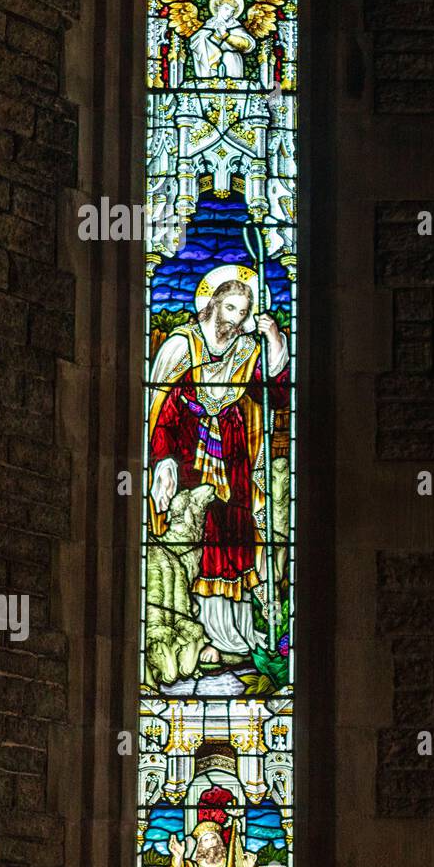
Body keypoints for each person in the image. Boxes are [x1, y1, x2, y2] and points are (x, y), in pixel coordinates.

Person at [148, 272, 288, 667]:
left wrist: (274, 338)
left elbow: (276, 392)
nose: (235, 319)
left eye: (243, 313)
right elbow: (163, 411)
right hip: (191, 462)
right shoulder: (182, 347)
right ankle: (205, 629)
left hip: (236, 460)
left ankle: (238, 631)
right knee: (201, 538)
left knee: (238, 534)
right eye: (230, 308)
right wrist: (164, 462)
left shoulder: (247, 350)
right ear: (210, 304)